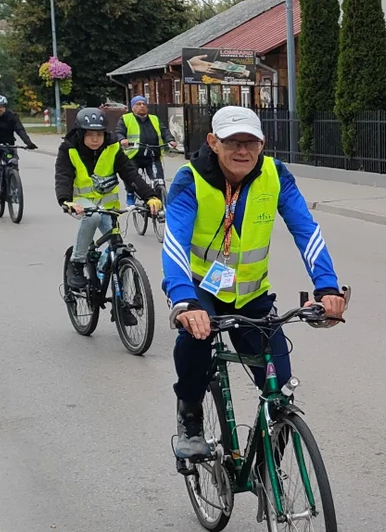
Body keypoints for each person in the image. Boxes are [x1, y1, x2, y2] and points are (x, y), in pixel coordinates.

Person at [162, 106, 347, 461]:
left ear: (262, 143)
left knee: (279, 391)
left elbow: (306, 230)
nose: (242, 151)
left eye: (250, 142)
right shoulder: (191, 179)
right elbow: (175, 243)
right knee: (195, 339)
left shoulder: (275, 175)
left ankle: (267, 470)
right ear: (213, 142)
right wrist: (184, 300)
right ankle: (190, 416)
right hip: (203, 290)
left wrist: (326, 287)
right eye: (233, 142)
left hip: (252, 295)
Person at [55, 107, 162, 297]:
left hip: (108, 206)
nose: (95, 139)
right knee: (93, 217)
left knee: (117, 247)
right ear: (80, 134)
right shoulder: (69, 148)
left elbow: (130, 174)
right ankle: (77, 263)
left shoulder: (113, 147)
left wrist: (150, 196)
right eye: (90, 135)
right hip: (82, 203)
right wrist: (66, 201)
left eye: (99, 134)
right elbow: (63, 176)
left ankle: (121, 302)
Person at [115, 95, 177, 205]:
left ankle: (160, 203)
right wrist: (122, 139)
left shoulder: (154, 119)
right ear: (133, 107)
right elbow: (119, 132)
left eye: (144, 104)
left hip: (152, 154)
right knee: (131, 176)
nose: (142, 106)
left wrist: (170, 140)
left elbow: (164, 131)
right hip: (133, 155)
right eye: (138, 104)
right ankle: (130, 193)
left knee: (159, 180)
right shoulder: (125, 118)